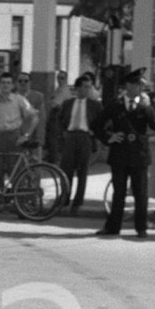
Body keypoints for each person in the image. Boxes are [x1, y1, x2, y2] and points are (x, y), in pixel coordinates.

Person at [90, 69, 155, 238]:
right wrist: (109, 137)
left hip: (139, 155)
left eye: (141, 85)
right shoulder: (115, 104)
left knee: (141, 194)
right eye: (137, 84)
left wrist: (149, 106)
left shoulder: (145, 106)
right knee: (119, 193)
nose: (140, 88)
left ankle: (141, 227)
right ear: (128, 86)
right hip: (120, 153)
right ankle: (113, 227)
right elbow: (96, 125)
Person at [0, 71, 38, 217]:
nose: (5, 86)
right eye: (3, 83)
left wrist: (26, 135)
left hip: (13, 137)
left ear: (12, 85)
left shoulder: (19, 100)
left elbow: (34, 117)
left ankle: (22, 208)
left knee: (16, 174)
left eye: (8, 83)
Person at [58, 74, 103, 215]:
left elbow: (103, 122)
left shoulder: (95, 105)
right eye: (84, 86)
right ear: (77, 88)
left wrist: (94, 132)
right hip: (70, 136)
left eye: (89, 87)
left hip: (85, 137)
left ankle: (78, 201)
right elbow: (59, 120)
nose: (87, 89)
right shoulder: (68, 103)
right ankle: (65, 197)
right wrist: (63, 132)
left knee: (82, 170)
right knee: (66, 169)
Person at [16, 72, 48, 160]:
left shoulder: (38, 97)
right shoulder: (12, 98)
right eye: (20, 81)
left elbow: (41, 119)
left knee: (35, 167)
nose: (23, 83)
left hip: (33, 139)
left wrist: (40, 139)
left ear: (30, 82)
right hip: (17, 138)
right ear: (16, 83)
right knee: (18, 168)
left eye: (26, 81)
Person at [46, 69, 73, 165]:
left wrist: (52, 103)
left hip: (58, 116)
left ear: (66, 79)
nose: (59, 80)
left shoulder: (64, 90)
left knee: (54, 138)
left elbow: (54, 104)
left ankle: (54, 160)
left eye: (62, 78)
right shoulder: (58, 89)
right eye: (58, 77)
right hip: (55, 115)